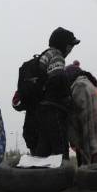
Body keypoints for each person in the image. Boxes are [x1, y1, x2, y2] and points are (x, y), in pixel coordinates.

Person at [29, 27, 80, 158]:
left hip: (41, 109)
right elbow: (57, 79)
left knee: (43, 150)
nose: (70, 49)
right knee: (61, 151)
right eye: (70, 45)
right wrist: (68, 100)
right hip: (54, 110)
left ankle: (38, 177)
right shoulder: (57, 56)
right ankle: (64, 178)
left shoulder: (45, 55)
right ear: (64, 45)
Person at [66, 62, 97, 165]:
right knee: (95, 161)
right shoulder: (88, 85)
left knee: (89, 165)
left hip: (88, 137)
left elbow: (82, 118)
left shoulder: (79, 86)